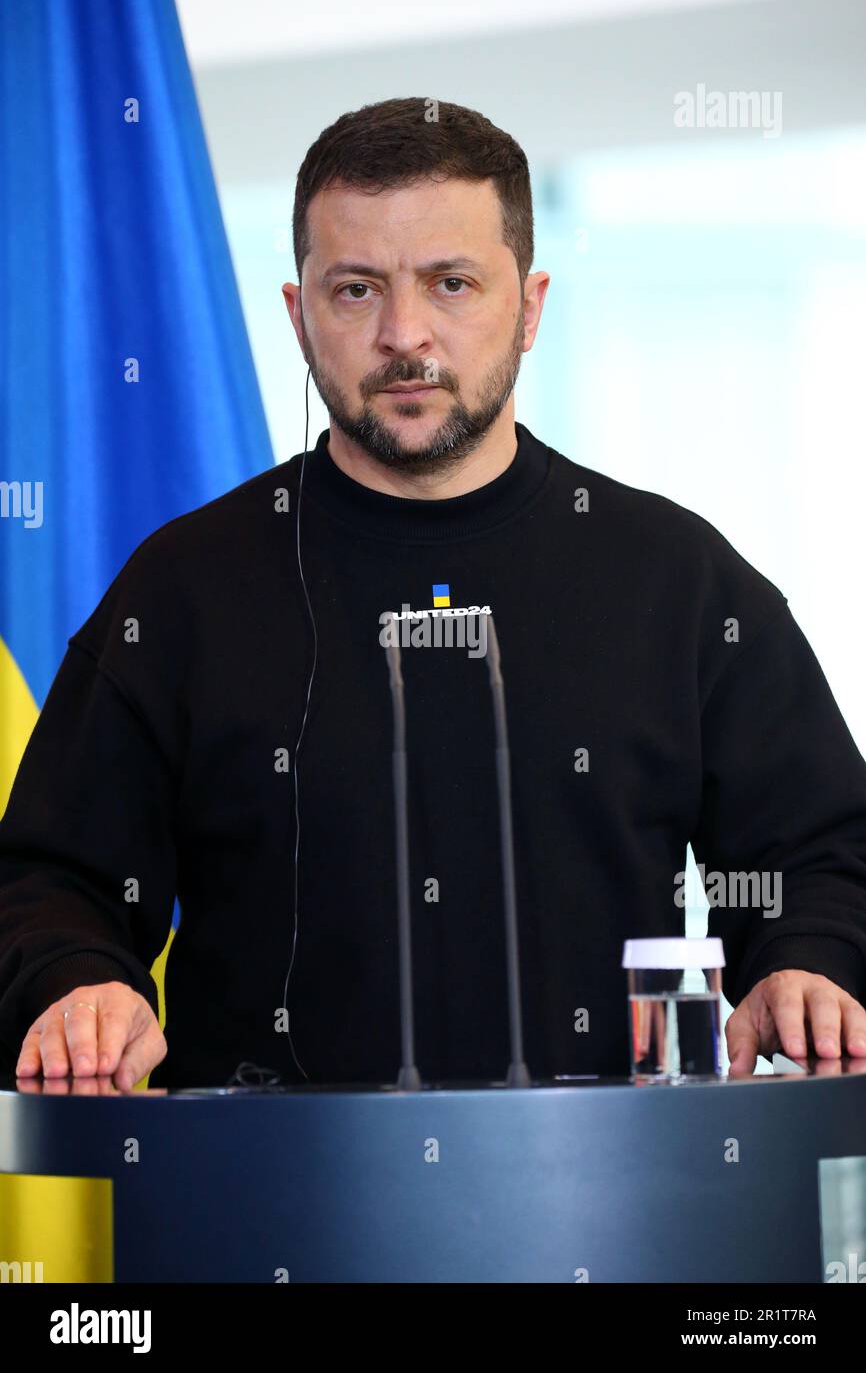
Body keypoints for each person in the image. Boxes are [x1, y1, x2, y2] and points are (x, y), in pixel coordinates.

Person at [2, 97, 866, 1093]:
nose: (402, 335)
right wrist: (76, 982)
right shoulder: (181, 587)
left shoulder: (675, 577)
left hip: (616, 1213)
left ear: (530, 304)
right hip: (254, 1218)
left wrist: (804, 959)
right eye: (356, 289)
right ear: (298, 314)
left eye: (449, 283)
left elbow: (820, 852)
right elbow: (50, 880)